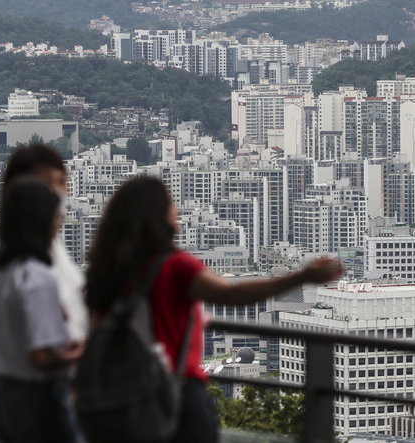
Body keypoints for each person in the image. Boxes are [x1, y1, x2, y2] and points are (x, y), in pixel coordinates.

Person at [85, 176, 343, 443]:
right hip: (175, 392)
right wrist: (300, 278)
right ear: (157, 215)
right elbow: (231, 293)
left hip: (119, 395)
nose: (178, 211)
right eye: (171, 204)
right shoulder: (174, 267)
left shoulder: (106, 273)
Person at [0, 178, 84, 443]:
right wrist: (82, 350)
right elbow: (41, 357)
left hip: (2, 396)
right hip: (37, 400)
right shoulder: (37, 277)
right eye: (56, 218)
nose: (58, 226)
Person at [2, 143, 87, 343]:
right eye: (47, 182)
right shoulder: (31, 269)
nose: (58, 192)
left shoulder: (52, 249)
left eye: (62, 182)